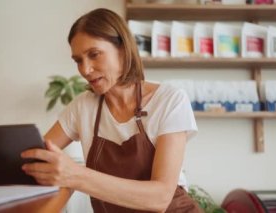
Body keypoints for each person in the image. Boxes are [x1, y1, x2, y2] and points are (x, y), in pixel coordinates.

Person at [21, 8, 201, 213]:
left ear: (123, 49)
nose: (85, 69)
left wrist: (76, 176)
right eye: (78, 60)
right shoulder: (83, 107)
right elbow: (36, 158)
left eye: (94, 55)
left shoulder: (169, 100)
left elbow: (160, 198)